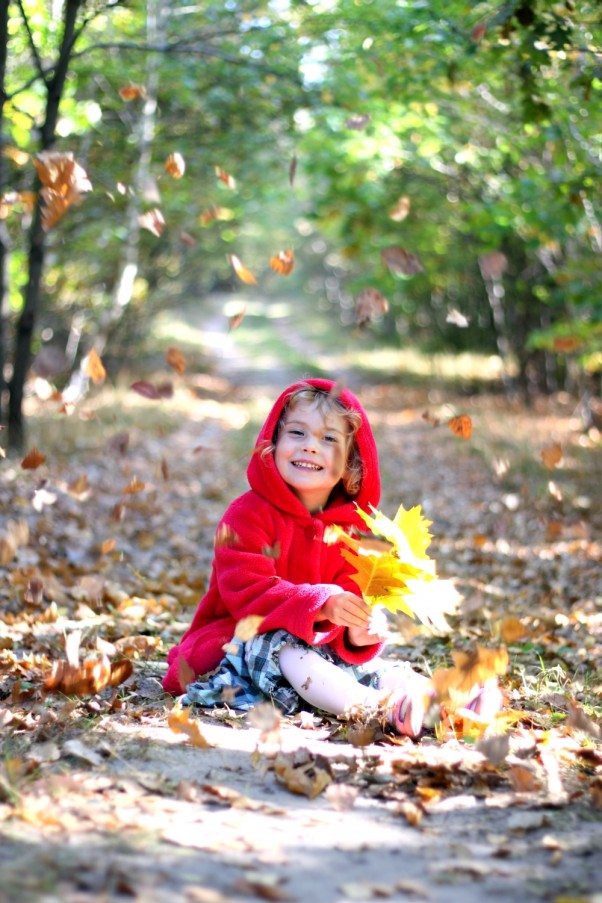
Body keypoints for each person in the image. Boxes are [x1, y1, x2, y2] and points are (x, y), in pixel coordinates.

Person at [163, 378, 501, 738]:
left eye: (328, 440)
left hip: (320, 656)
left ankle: (441, 699)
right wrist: (322, 604)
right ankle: (378, 707)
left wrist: (359, 630)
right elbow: (249, 594)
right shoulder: (246, 516)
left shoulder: (349, 532)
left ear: (351, 463)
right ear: (272, 444)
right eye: (297, 433)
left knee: (378, 667)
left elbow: (348, 604)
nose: (310, 447)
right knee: (288, 649)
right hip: (241, 645)